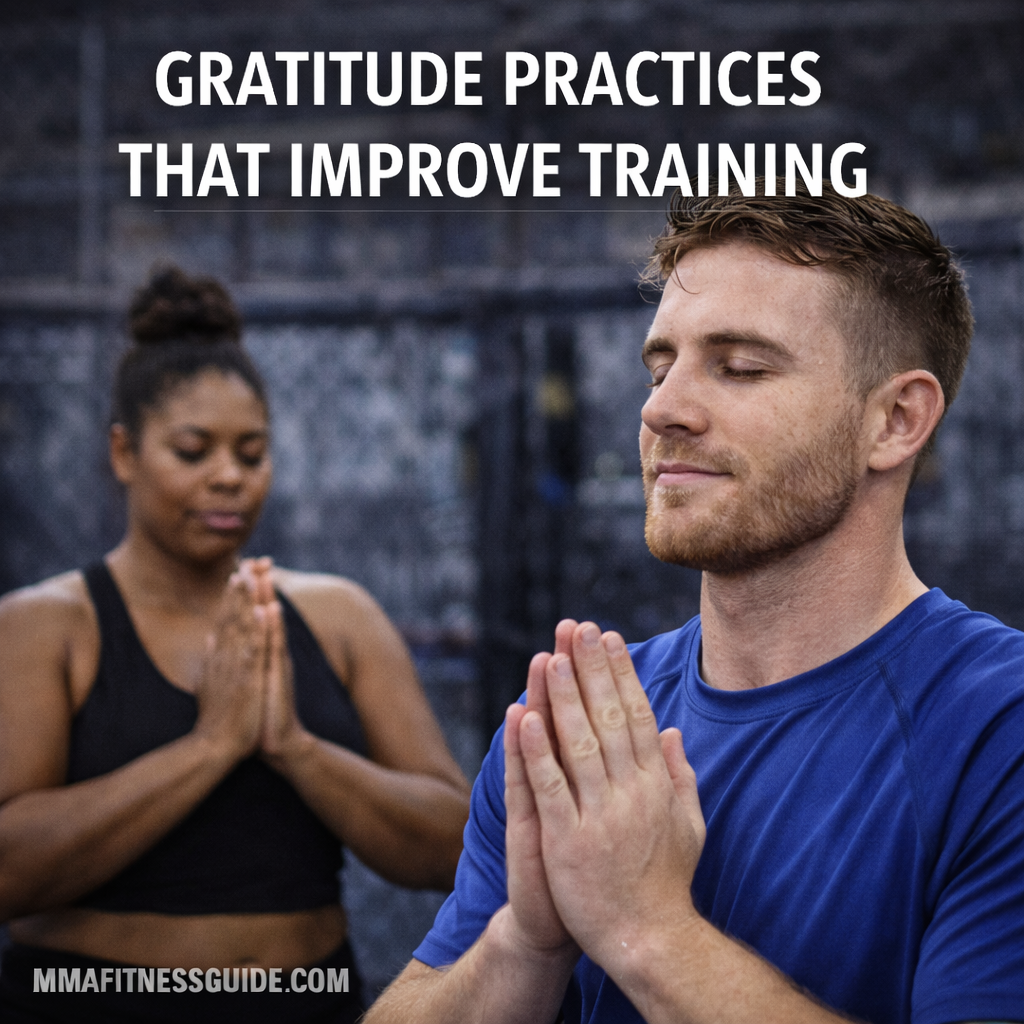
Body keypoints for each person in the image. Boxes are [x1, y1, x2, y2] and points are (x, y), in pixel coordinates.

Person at [365, 183, 1024, 1024]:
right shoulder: (582, 728)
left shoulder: (997, 731)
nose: (661, 409)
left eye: (739, 367)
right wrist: (524, 942)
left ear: (895, 419)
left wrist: (645, 928)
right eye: (660, 364)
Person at [0, 267, 471, 1023]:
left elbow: (452, 845)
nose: (229, 477)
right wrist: (208, 747)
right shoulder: (48, 626)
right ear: (124, 453)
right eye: (194, 452)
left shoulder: (337, 616)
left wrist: (295, 748)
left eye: (251, 454)